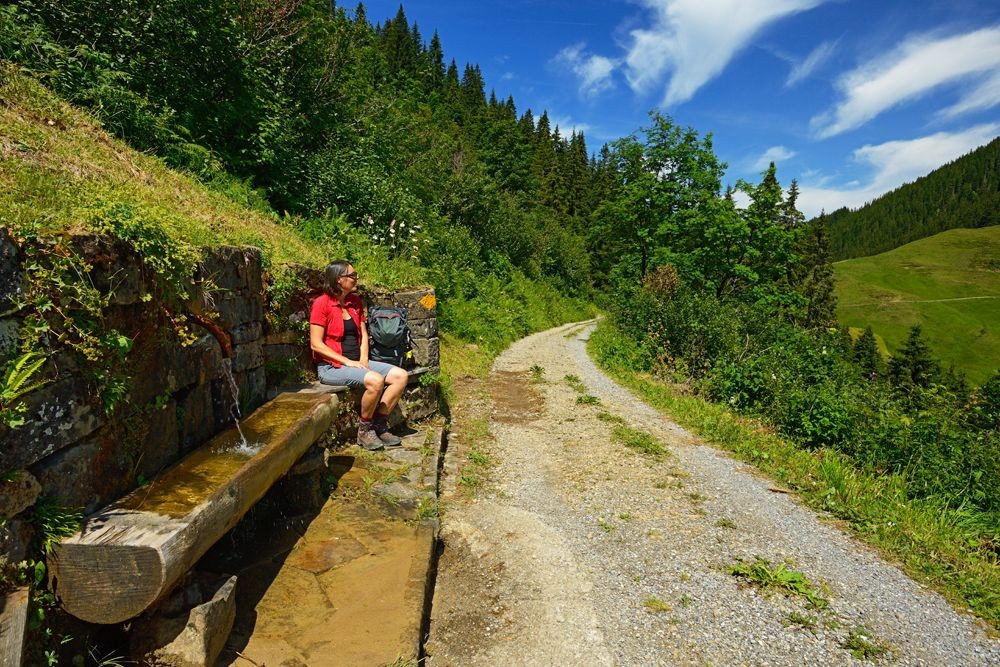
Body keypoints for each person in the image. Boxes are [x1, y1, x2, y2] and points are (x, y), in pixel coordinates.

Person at [309, 260, 409, 450]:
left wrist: (363, 360)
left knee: (401, 376)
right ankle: (364, 430)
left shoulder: (354, 302)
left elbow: (363, 334)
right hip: (331, 367)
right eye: (352, 276)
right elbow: (316, 344)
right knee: (376, 380)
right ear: (339, 280)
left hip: (357, 362)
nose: (357, 279)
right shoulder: (321, 304)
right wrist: (348, 361)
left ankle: (379, 425)